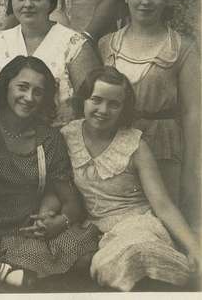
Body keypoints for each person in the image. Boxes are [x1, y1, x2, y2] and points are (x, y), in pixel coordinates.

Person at [62, 68, 199, 290]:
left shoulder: (135, 145)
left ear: (124, 109)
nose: (103, 110)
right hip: (93, 228)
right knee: (103, 262)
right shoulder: (68, 136)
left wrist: (194, 246)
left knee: (137, 251)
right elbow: (57, 183)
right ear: (83, 100)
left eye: (114, 104)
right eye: (96, 100)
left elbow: (162, 204)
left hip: (136, 224)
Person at [0, 56, 99, 287]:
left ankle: (17, 271)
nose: (29, 98)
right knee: (34, 269)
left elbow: (72, 202)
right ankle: (10, 269)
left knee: (86, 256)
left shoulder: (49, 139)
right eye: (22, 87)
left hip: (33, 229)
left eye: (38, 92)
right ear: (6, 84)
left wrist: (60, 222)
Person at [99, 0, 200, 222]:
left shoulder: (183, 48)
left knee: (165, 222)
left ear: (167, 0)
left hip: (163, 145)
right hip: (116, 143)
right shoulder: (106, 44)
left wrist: (191, 168)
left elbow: (192, 112)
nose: (146, 1)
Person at [0, 0, 101, 125]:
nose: (28, 4)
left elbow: (92, 102)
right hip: (6, 139)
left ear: (51, 2)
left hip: (60, 139)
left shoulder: (74, 45)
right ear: (11, 1)